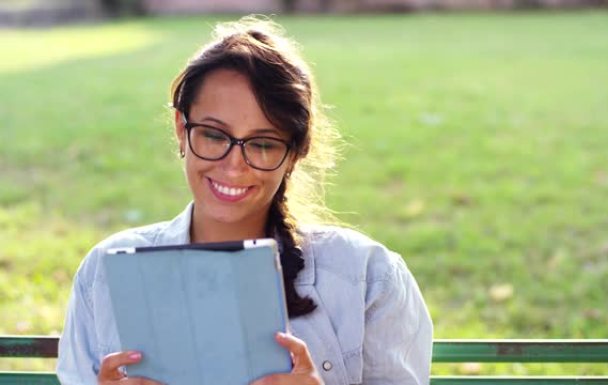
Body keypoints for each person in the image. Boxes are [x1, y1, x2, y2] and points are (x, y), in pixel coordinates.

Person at [57, 16, 433, 385]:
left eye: (263, 144)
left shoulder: (368, 277)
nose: (234, 165)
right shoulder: (104, 274)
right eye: (214, 136)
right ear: (180, 130)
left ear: (295, 154)